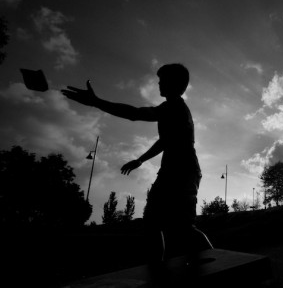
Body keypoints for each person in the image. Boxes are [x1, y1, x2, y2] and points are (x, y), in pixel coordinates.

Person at [61, 63, 213, 276]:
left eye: (163, 80)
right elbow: (164, 141)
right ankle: (157, 272)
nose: (159, 83)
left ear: (176, 84)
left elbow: (135, 113)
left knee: (180, 227)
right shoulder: (172, 109)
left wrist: (96, 102)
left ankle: (221, 262)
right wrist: (141, 159)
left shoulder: (174, 107)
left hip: (183, 172)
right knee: (153, 222)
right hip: (172, 171)